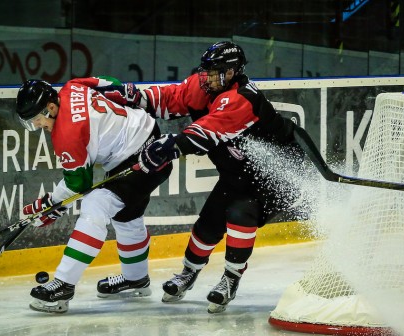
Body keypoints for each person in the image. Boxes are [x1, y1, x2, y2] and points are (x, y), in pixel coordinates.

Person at [112, 41, 306, 313]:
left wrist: (173, 146)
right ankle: (188, 273)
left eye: (215, 72)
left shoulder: (242, 99)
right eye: (206, 71)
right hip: (238, 173)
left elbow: (205, 132)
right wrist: (132, 96)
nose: (207, 77)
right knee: (208, 223)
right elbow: (170, 98)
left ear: (233, 72)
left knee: (240, 213)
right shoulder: (203, 85)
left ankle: (230, 279)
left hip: (277, 175)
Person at [15, 77, 172, 313]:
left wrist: (50, 205)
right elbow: (117, 86)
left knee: (95, 205)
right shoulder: (73, 86)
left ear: (50, 107)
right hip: (150, 137)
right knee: (127, 215)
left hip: (140, 159)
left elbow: (79, 186)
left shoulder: (66, 134)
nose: (37, 126)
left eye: (37, 119)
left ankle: (63, 286)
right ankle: (136, 279)